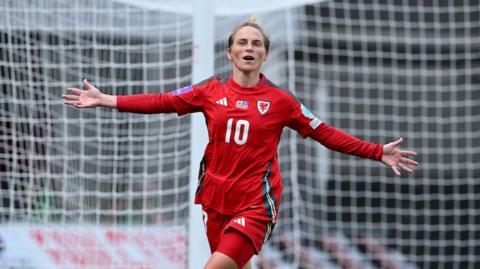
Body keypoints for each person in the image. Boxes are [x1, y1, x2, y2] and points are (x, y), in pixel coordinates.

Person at [63, 16, 418, 269]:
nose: (249, 48)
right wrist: (107, 99)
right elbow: (162, 101)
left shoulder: (281, 101)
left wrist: (376, 151)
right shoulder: (210, 90)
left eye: (257, 44)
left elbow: (325, 133)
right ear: (231, 52)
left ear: (265, 54)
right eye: (242, 42)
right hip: (216, 199)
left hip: (255, 204)